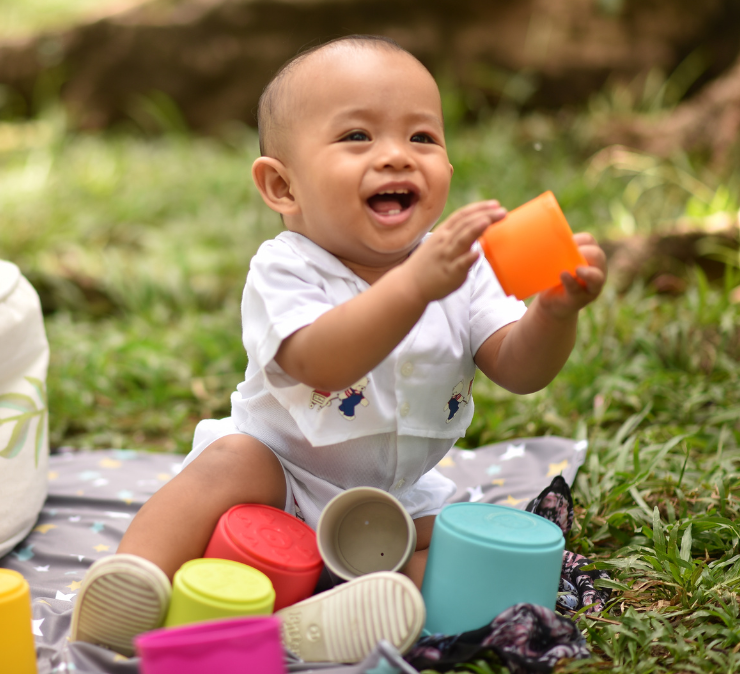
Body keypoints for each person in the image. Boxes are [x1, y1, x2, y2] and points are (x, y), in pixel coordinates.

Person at [68, 35, 607, 662]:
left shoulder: (466, 268)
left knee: (463, 542)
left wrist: (554, 312)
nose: (396, 157)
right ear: (282, 187)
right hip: (280, 479)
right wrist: (417, 283)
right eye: (357, 137)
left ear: (448, 171)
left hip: (391, 501)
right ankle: (131, 584)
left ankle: (321, 619)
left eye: (422, 138)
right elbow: (321, 363)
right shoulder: (287, 268)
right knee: (227, 462)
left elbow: (518, 368)